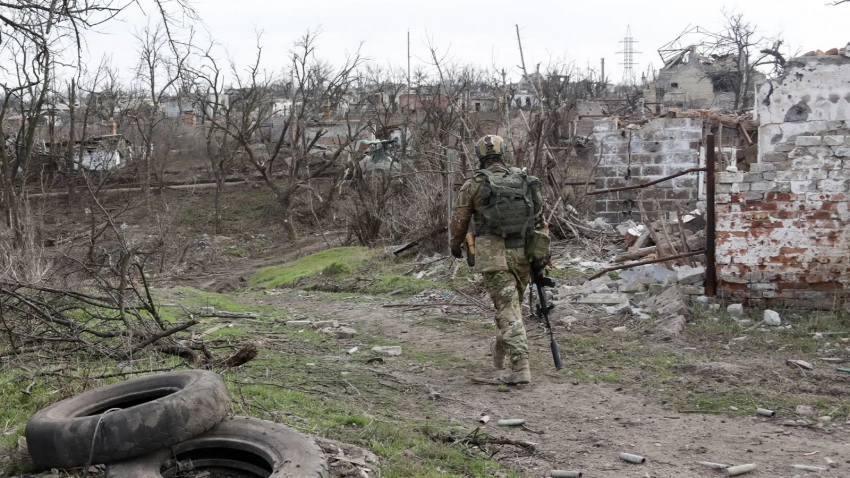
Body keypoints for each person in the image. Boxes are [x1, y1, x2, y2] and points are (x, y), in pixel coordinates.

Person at [449, 134, 546, 384]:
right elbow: (539, 217)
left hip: (493, 253)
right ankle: (500, 350)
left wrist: (455, 245)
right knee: (513, 307)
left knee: (507, 308)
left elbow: (459, 221)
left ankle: (520, 366)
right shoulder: (523, 179)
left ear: (480, 156)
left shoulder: (474, 184)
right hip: (524, 252)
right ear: (503, 153)